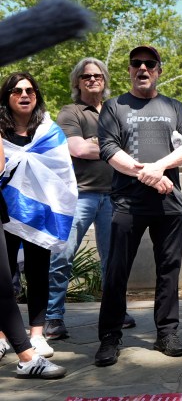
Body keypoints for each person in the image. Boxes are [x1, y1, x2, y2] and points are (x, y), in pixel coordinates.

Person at [93, 46, 182, 367]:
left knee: (168, 271)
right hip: (127, 203)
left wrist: (158, 168)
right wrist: (149, 174)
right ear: (129, 70)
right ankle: (110, 337)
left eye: (149, 64)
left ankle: (167, 332)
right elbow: (108, 149)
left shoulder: (174, 106)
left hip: (170, 205)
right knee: (116, 271)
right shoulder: (114, 107)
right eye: (136, 63)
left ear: (159, 70)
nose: (142, 68)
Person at [44, 58, 136, 341]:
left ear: (105, 80)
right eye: (86, 77)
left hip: (114, 196)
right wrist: (112, 147)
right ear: (77, 82)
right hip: (79, 195)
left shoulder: (117, 110)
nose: (93, 80)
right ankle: (53, 317)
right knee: (63, 256)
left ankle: (115, 313)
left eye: (98, 76)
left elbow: (133, 146)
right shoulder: (70, 112)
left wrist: (99, 144)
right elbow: (79, 149)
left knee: (113, 261)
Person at [0, 72, 77, 359]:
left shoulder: (49, 132)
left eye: (30, 91)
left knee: (38, 274)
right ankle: (3, 334)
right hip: (4, 215)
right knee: (4, 278)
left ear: (36, 96)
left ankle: (37, 334)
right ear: (7, 96)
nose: (24, 95)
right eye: (17, 90)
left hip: (39, 216)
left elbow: (62, 175)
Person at [0, 139, 67, 379]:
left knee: (5, 286)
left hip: (24, 212)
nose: (24, 97)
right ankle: (26, 357)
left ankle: (27, 354)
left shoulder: (46, 132)